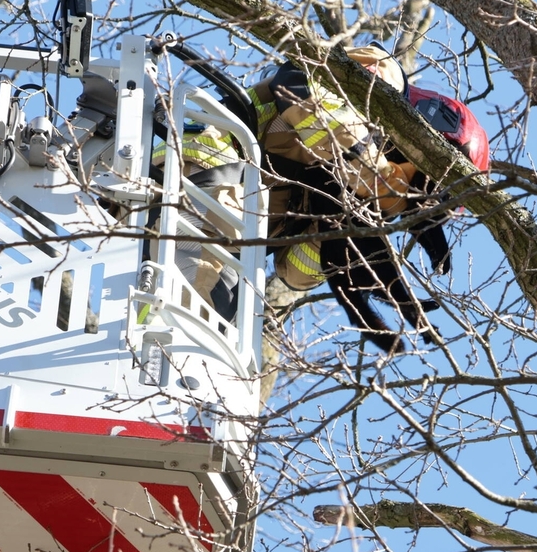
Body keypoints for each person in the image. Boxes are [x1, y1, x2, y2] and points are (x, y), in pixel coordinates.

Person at [157, 44, 490, 349]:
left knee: (222, 322)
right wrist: (375, 175)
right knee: (185, 308)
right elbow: (301, 82)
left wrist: (350, 238)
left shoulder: (366, 195)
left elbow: (292, 270)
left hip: (234, 228)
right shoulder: (383, 78)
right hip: (210, 160)